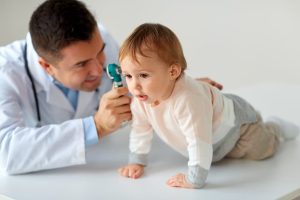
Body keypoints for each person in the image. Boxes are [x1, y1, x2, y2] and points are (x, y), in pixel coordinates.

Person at [0, 0, 221, 175]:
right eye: (81, 64)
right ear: (46, 66)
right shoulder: (6, 72)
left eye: (100, 52)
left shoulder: (101, 39)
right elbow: (7, 153)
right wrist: (96, 126)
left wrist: (177, 89)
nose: (99, 69)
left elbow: (138, 93)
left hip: (105, 160)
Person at [117, 23, 299, 189]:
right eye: (128, 76)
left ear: (173, 71)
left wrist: (194, 179)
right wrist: (137, 161)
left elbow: (198, 142)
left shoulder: (188, 100)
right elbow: (140, 129)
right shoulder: (141, 99)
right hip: (214, 140)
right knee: (223, 158)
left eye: (143, 75)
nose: (134, 86)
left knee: (262, 150)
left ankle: (275, 127)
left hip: (237, 129)